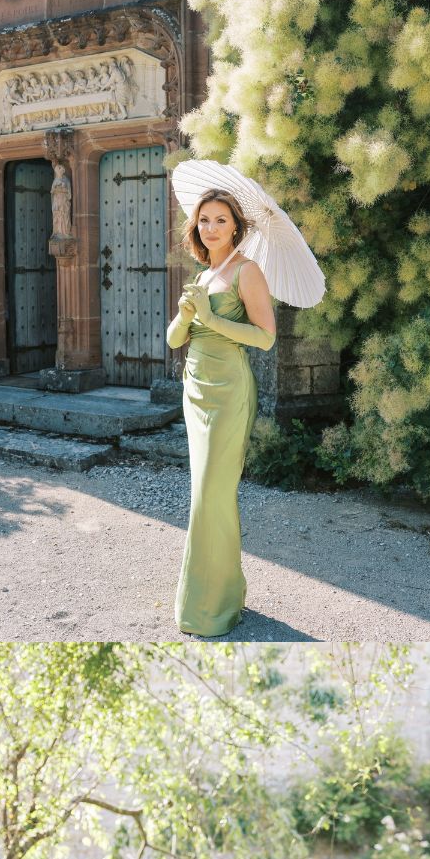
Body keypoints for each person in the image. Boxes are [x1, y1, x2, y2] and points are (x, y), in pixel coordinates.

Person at [168, 189, 276, 636]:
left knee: (212, 494)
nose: (211, 228)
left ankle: (215, 606)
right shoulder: (203, 275)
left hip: (230, 389)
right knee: (204, 494)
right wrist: (184, 312)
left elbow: (265, 338)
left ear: (236, 226)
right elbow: (175, 341)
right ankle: (215, 596)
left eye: (220, 220)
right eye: (204, 220)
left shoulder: (247, 272)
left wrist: (211, 320)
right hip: (196, 390)